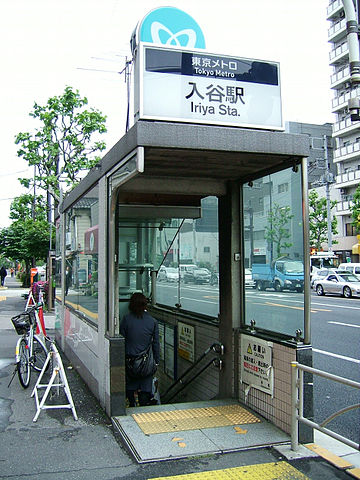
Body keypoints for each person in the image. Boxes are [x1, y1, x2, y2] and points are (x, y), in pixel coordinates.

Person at [120, 292, 160, 407]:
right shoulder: (152, 321)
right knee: (145, 388)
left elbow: (122, 340)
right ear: (145, 305)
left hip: (130, 362)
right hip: (146, 363)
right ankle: (144, 406)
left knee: (130, 387)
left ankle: (132, 405)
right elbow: (156, 344)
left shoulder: (126, 320)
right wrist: (156, 361)